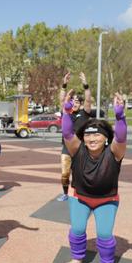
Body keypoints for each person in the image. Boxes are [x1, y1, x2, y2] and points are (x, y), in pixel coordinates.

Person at [61, 90, 127, 263]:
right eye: (88, 135)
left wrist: (120, 116)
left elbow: (121, 137)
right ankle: (77, 258)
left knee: (105, 233)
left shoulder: (114, 151)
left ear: (106, 137)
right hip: (79, 197)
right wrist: (66, 112)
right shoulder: (77, 148)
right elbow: (67, 132)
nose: (92, 139)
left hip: (107, 199)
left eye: (97, 135)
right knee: (77, 229)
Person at [57, 72, 92, 201]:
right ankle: (65, 193)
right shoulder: (66, 112)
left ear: (80, 104)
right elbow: (61, 100)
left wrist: (85, 85)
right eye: (73, 101)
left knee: (81, 173)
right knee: (65, 173)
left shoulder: (85, 113)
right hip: (67, 148)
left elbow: (88, 99)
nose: (75, 103)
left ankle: (82, 192)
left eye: (77, 101)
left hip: (81, 148)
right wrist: (64, 84)